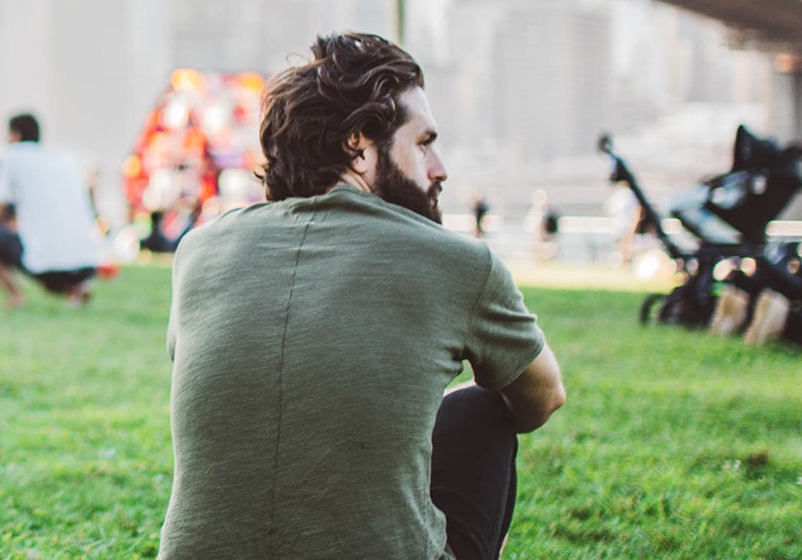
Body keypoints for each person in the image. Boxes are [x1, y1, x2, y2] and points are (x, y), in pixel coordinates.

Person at [162, 33, 562, 560]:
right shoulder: (460, 262)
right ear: (359, 143)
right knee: (481, 411)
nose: (440, 167)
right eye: (423, 143)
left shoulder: (200, 250)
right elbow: (540, 398)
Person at [0, 113, 109, 309]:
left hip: (45, 266)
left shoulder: (12, 156)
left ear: (14, 136)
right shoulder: (64, 159)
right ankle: (76, 288)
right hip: (87, 263)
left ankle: (16, 296)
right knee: (41, 242)